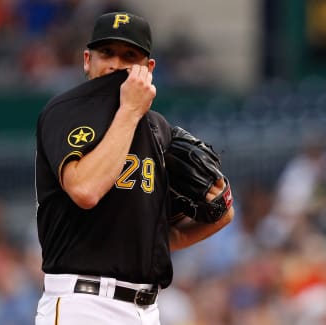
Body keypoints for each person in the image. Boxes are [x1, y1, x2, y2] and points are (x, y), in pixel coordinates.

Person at [34, 11, 234, 325]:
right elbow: (85, 190)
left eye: (129, 55)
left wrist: (166, 237)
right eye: (107, 53)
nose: (116, 64)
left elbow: (221, 213)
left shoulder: (157, 129)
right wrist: (129, 110)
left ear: (148, 68)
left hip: (146, 308)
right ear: (88, 60)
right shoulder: (66, 110)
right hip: (83, 304)